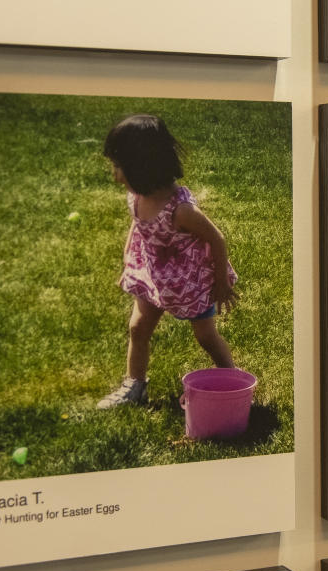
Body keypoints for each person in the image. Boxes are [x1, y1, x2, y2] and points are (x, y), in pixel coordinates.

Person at [97, 114, 238, 408]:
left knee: (205, 336)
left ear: (140, 166)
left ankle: (234, 382)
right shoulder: (136, 196)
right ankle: (135, 386)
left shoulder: (181, 210)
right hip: (153, 273)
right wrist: (128, 259)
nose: (115, 176)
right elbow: (137, 225)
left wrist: (221, 283)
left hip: (188, 278)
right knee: (138, 328)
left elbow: (217, 239)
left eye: (118, 167)